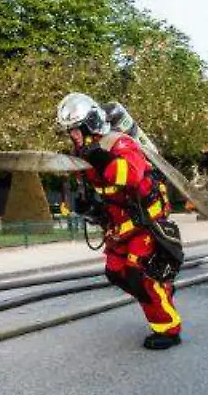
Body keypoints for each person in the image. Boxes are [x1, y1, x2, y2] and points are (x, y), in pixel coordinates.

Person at [58, 93, 183, 350]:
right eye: (70, 131)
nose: (73, 136)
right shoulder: (84, 153)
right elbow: (99, 190)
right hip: (119, 224)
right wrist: (88, 208)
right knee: (115, 272)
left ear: (90, 124)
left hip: (144, 220)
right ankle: (160, 293)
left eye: (76, 129)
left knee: (141, 275)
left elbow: (131, 175)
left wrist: (100, 157)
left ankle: (169, 329)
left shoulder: (119, 142)